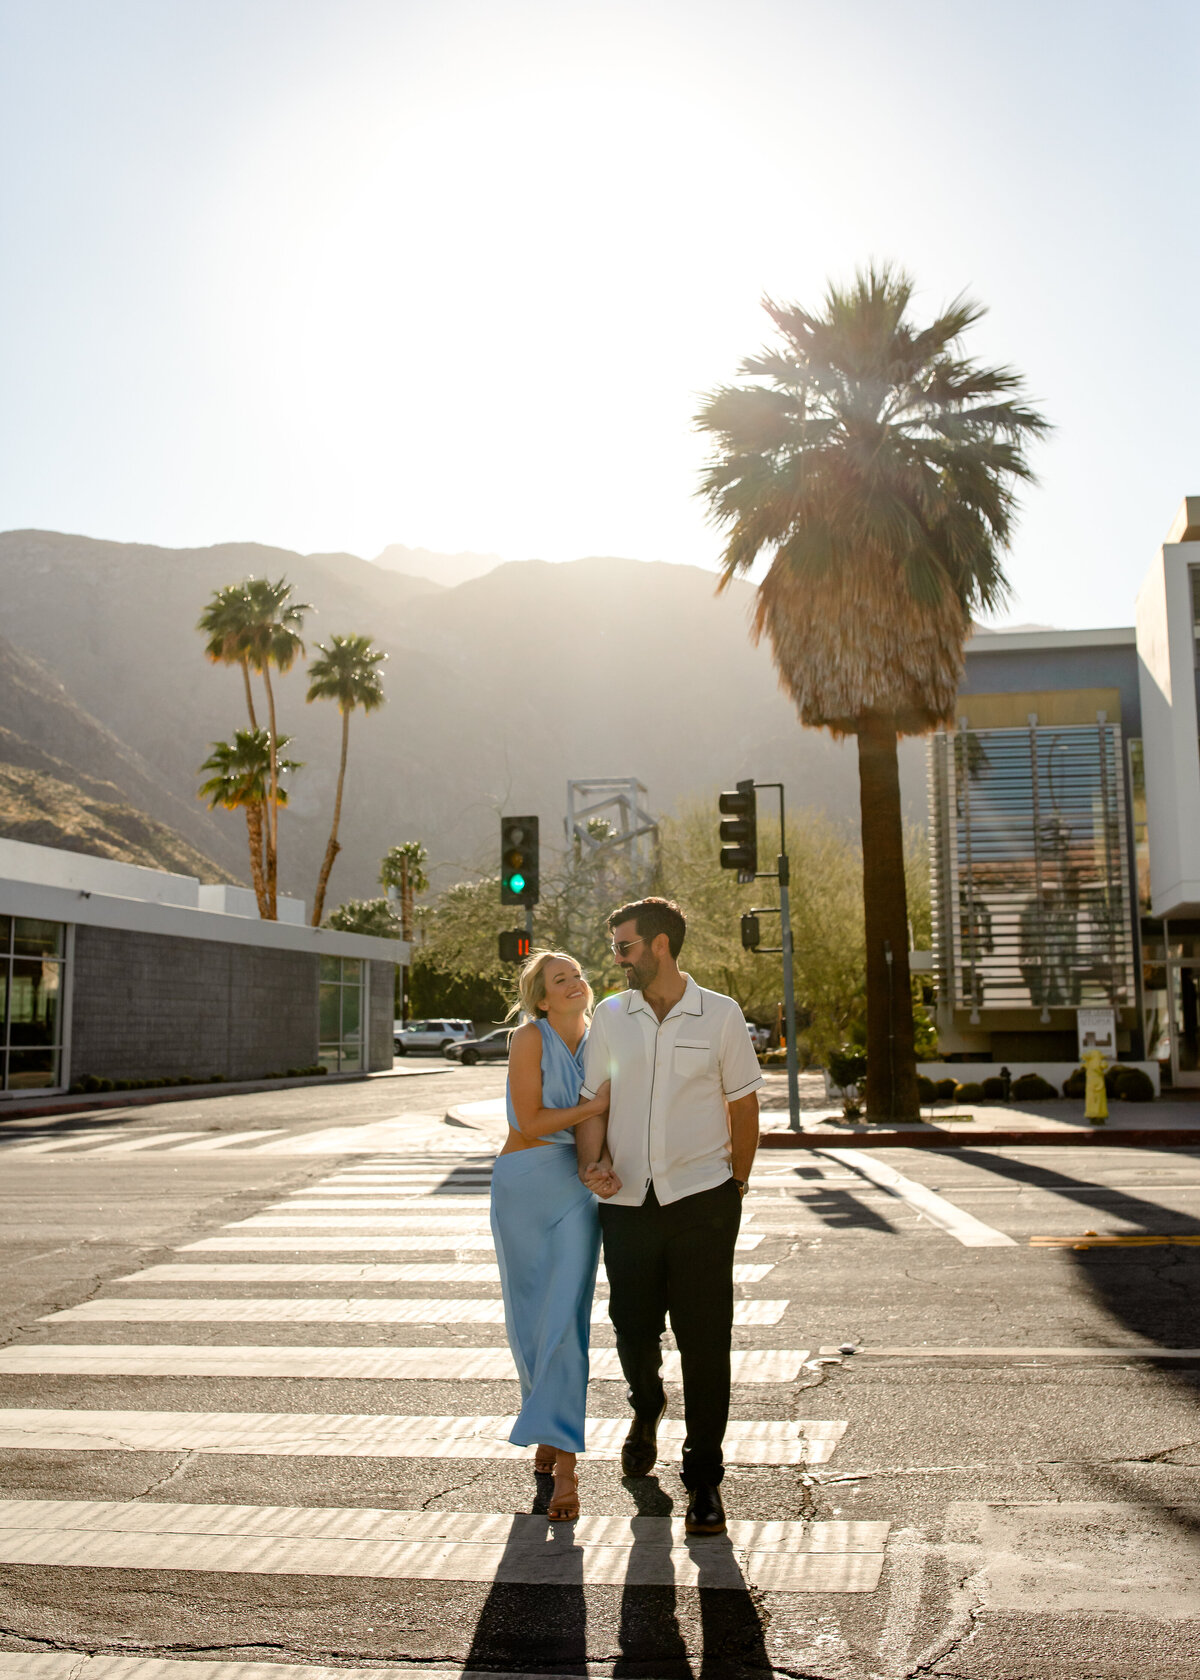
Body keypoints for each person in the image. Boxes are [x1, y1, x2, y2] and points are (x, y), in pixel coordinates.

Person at [579, 897, 762, 1536]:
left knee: (706, 1342)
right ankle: (646, 1405)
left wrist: (735, 1184)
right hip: (627, 1202)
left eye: (624, 947)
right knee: (631, 1326)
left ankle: (705, 1478)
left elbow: (743, 1108)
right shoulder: (610, 1015)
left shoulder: (720, 1015)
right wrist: (592, 1161)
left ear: (659, 945)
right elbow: (594, 1098)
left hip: (703, 1204)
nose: (617, 959)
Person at [490, 949, 619, 1522]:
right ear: (542, 997)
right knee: (531, 1320)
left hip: (577, 1188)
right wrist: (597, 1105)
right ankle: (544, 1422)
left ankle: (565, 1466)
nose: (575, 983)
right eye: (559, 979)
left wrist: (604, 1156)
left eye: (578, 974)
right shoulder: (530, 1039)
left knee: (567, 1318)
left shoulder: (605, 1036)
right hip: (524, 1184)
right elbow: (528, 1121)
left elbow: (610, 1119)